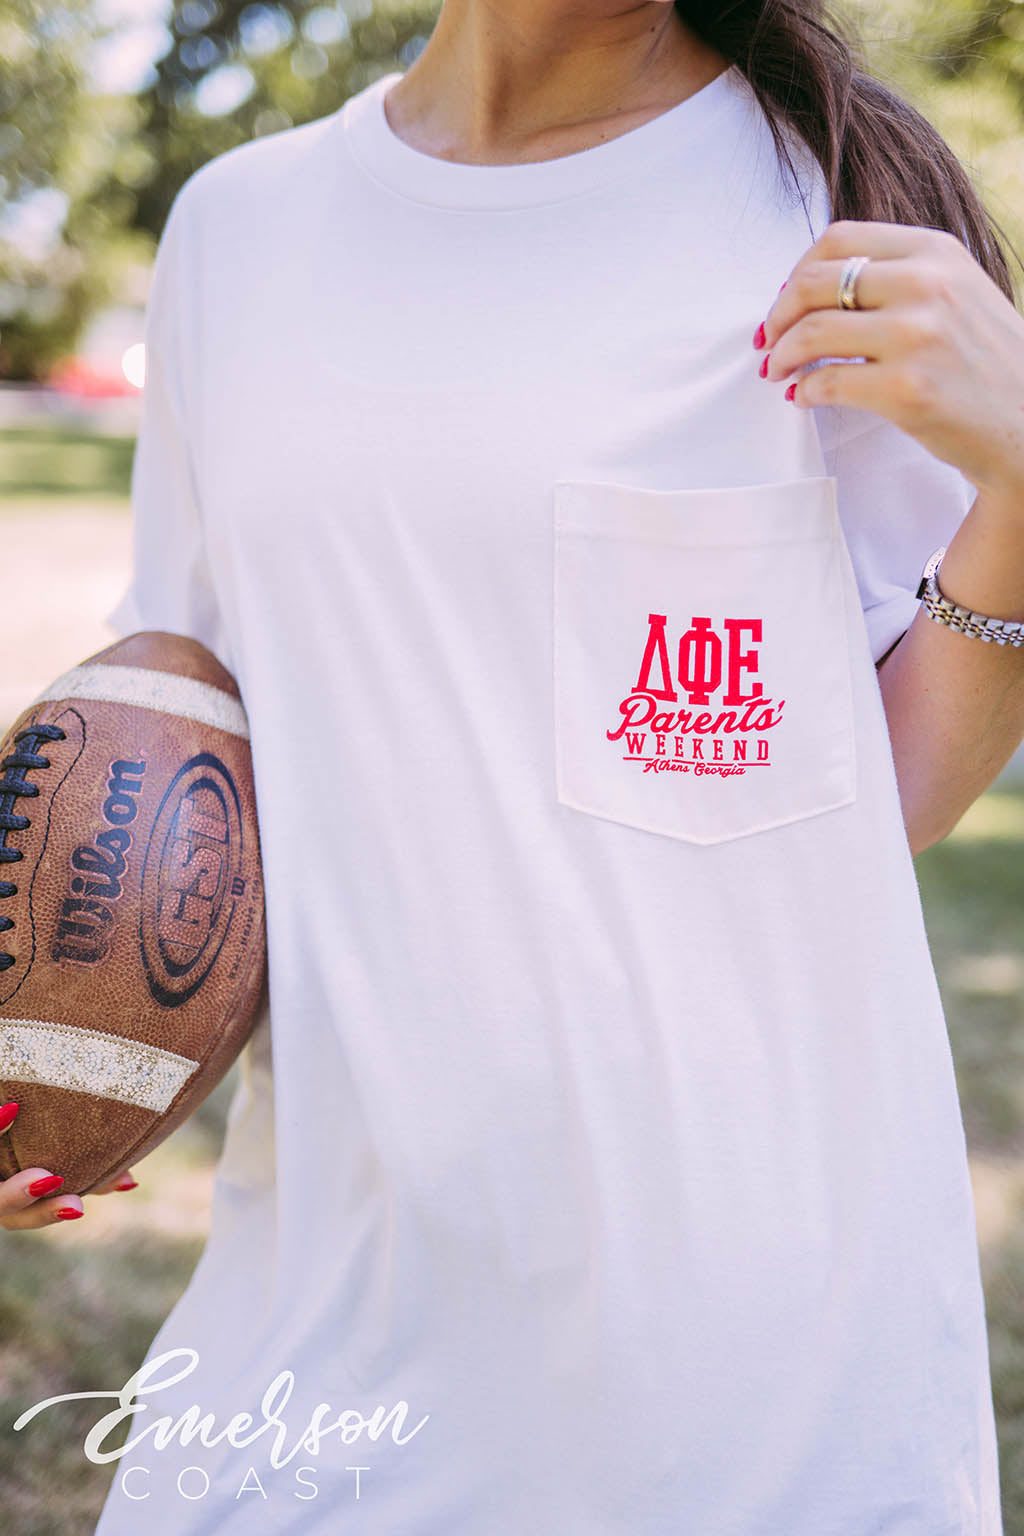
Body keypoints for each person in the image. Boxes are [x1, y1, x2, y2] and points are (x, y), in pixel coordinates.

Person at [3, 0, 1024, 1528]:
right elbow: (191, 758)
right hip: (322, 1334)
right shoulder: (239, 232)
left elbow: (900, 787)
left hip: (759, 1383)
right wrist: (61, 1042)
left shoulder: (834, 211)